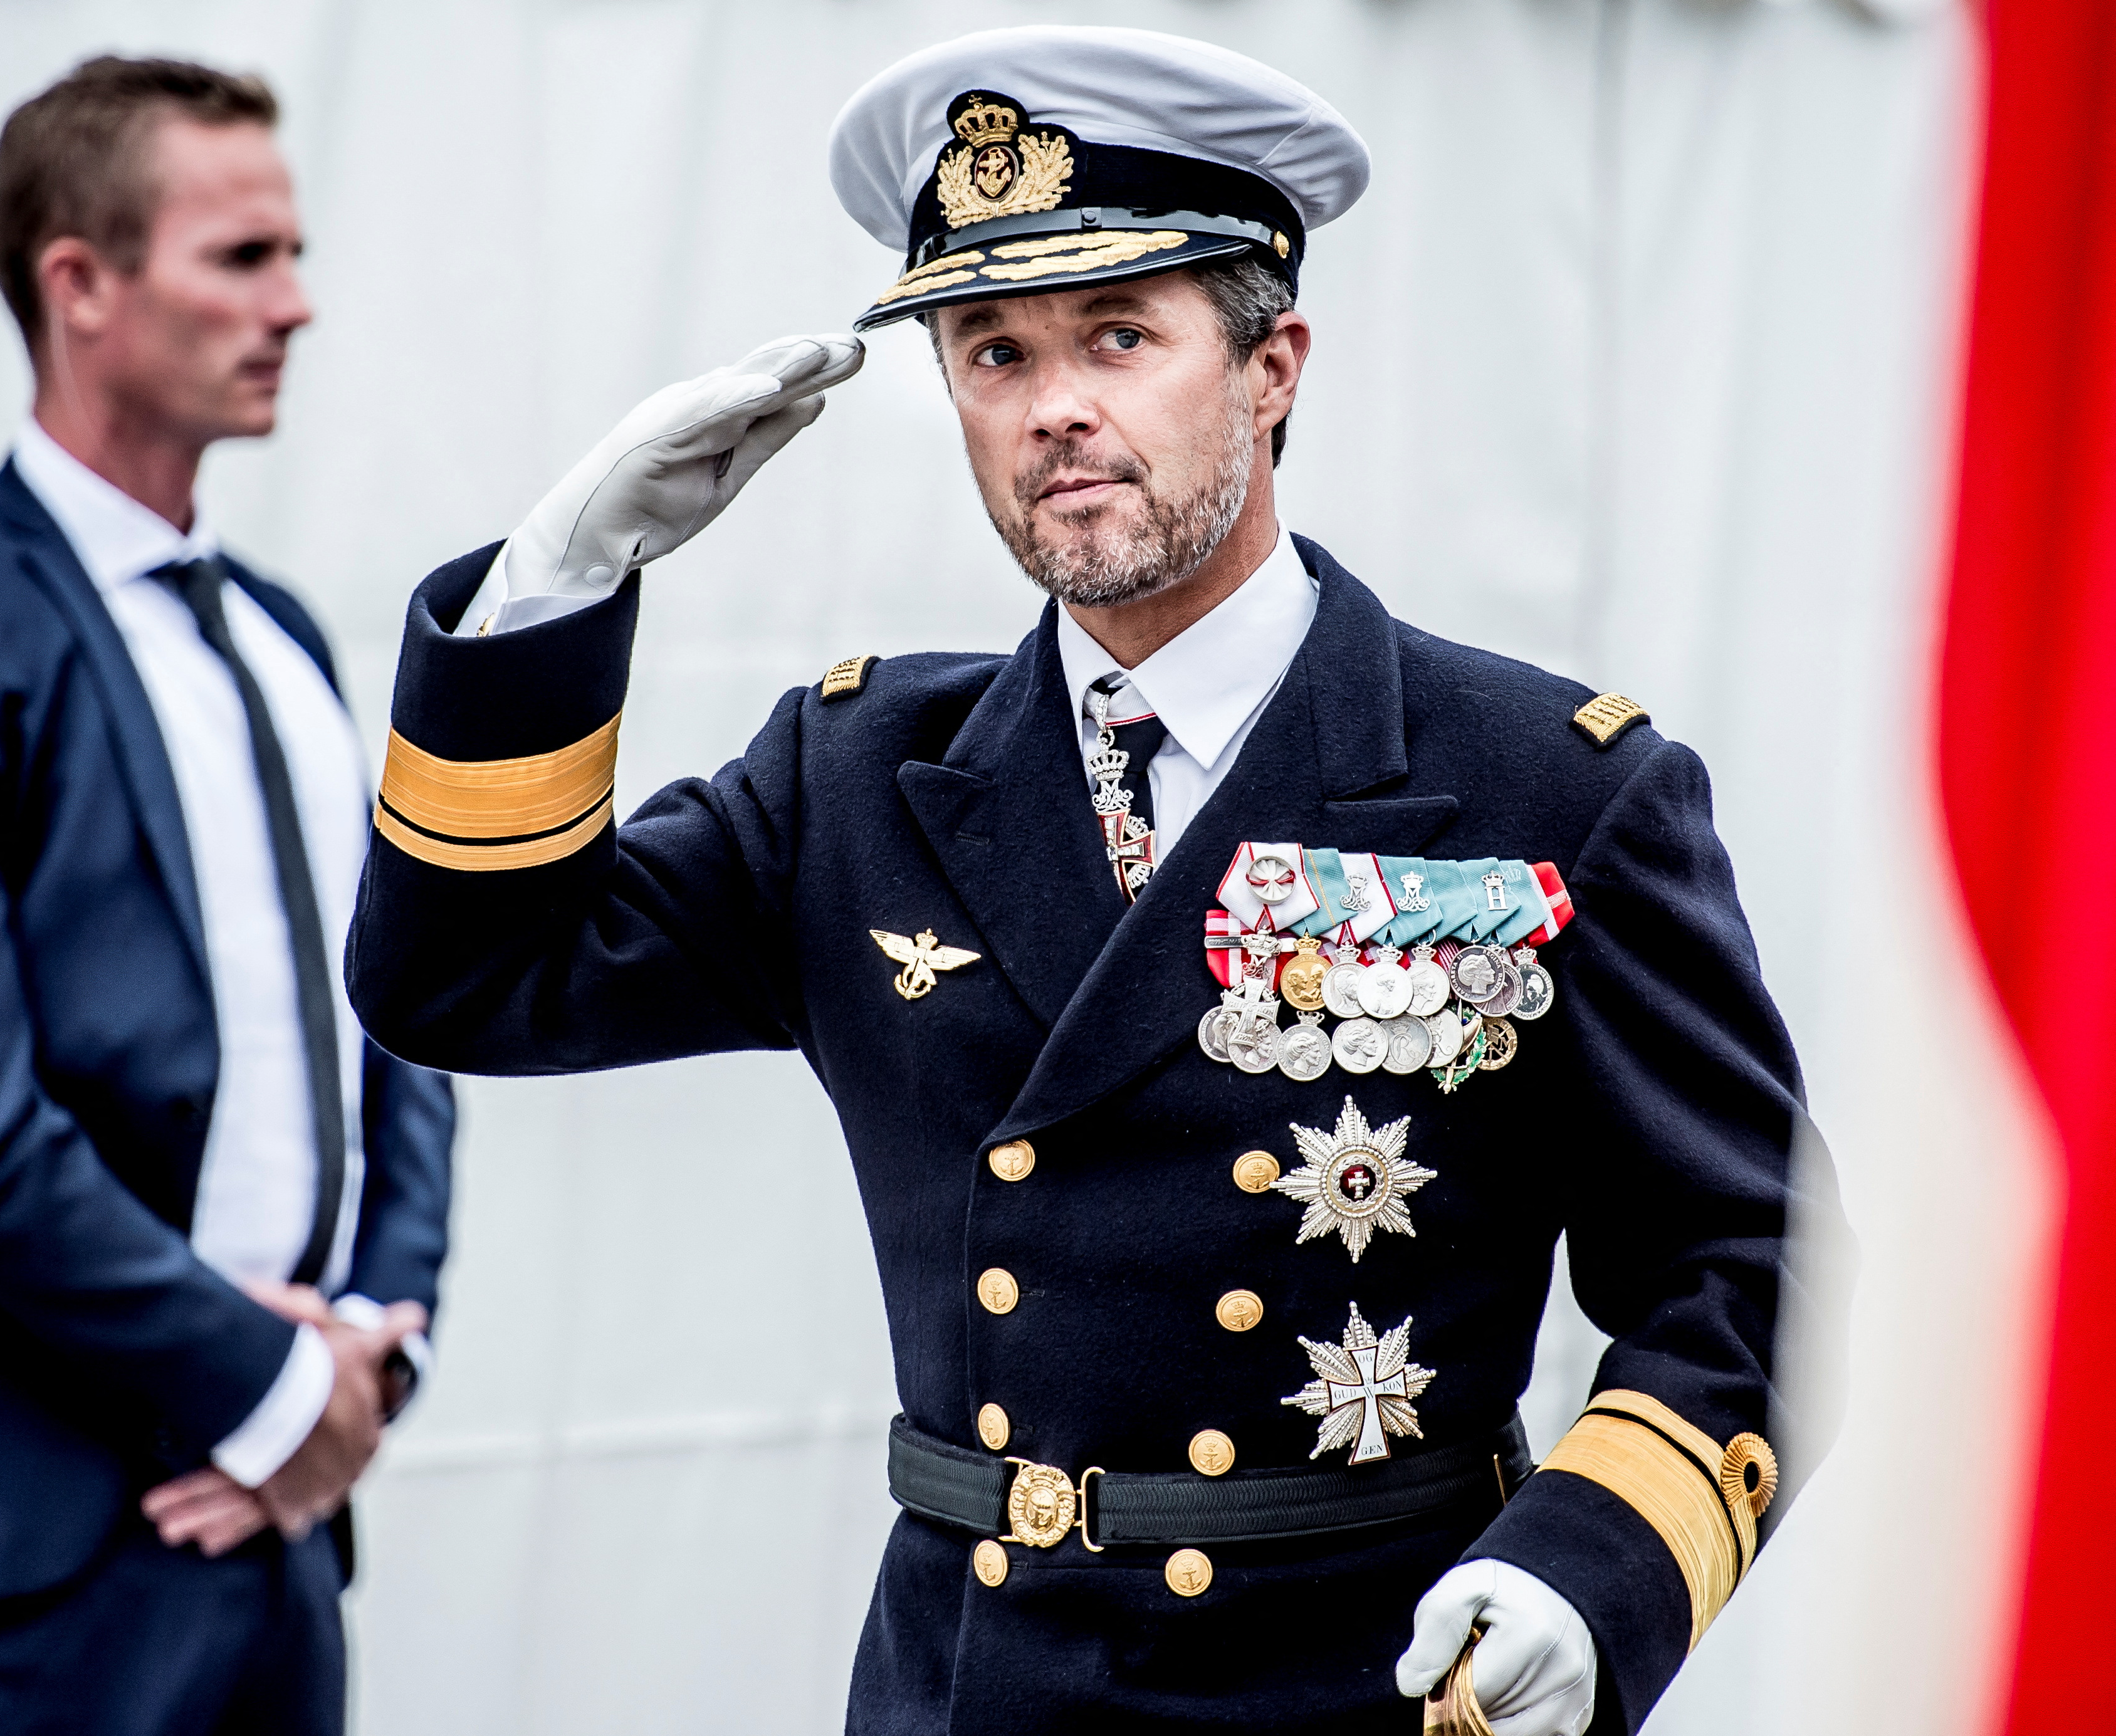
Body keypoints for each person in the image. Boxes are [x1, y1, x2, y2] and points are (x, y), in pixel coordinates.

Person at [350, 24, 1837, 1736]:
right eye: (992, 351)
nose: (1054, 405)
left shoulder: (1543, 787)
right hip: (973, 1685)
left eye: (1118, 336)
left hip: (1367, 1681)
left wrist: (1591, 1567)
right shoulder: (858, 780)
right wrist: (551, 589)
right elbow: (464, 978)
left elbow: (1753, 1261)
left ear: (1272, 363)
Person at [0, 56, 453, 1734]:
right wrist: (268, 1379)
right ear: (80, 283)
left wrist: (367, 1349)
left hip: (279, 1510)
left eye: (290, 254)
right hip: (27, 1536)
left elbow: (402, 1013)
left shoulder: (280, 636)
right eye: (242, 258)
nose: (298, 304)